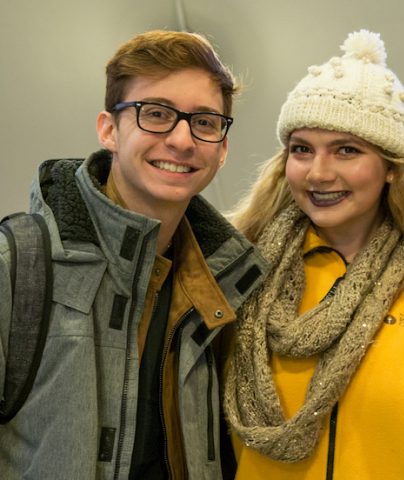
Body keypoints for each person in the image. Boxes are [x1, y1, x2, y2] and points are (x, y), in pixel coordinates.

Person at [0, 30, 268, 479]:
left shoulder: (228, 283)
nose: (182, 140)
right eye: (156, 114)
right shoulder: (19, 265)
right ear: (109, 130)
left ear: (222, 148)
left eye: (204, 122)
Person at [223, 29, 404, 480]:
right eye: (302, 149)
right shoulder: (241, 277)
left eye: (346, 151)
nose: (319, 173)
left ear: (392, 168)